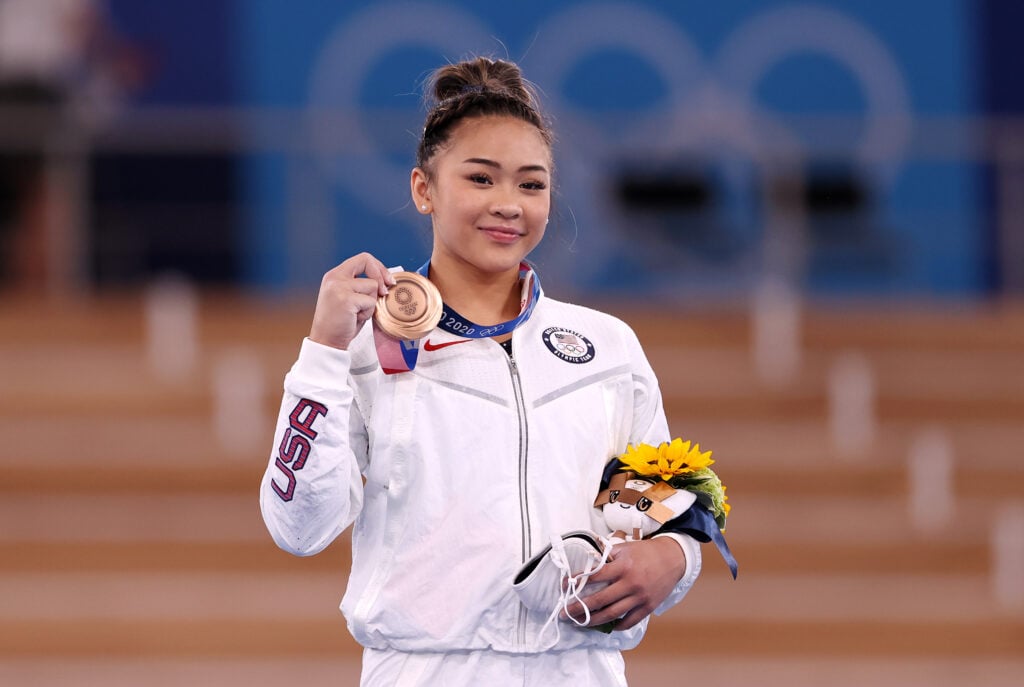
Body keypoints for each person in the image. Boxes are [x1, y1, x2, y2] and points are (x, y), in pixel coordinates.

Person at [259, 56, 702, 686]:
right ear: (424, 190)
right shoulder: (361, 350)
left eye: (531, 184)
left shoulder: (607, 348)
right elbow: (297, 527)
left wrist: (676, 558)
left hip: (581, 669)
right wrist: (323, 352)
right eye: (481, 179)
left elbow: (658, 507)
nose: (508, 205)